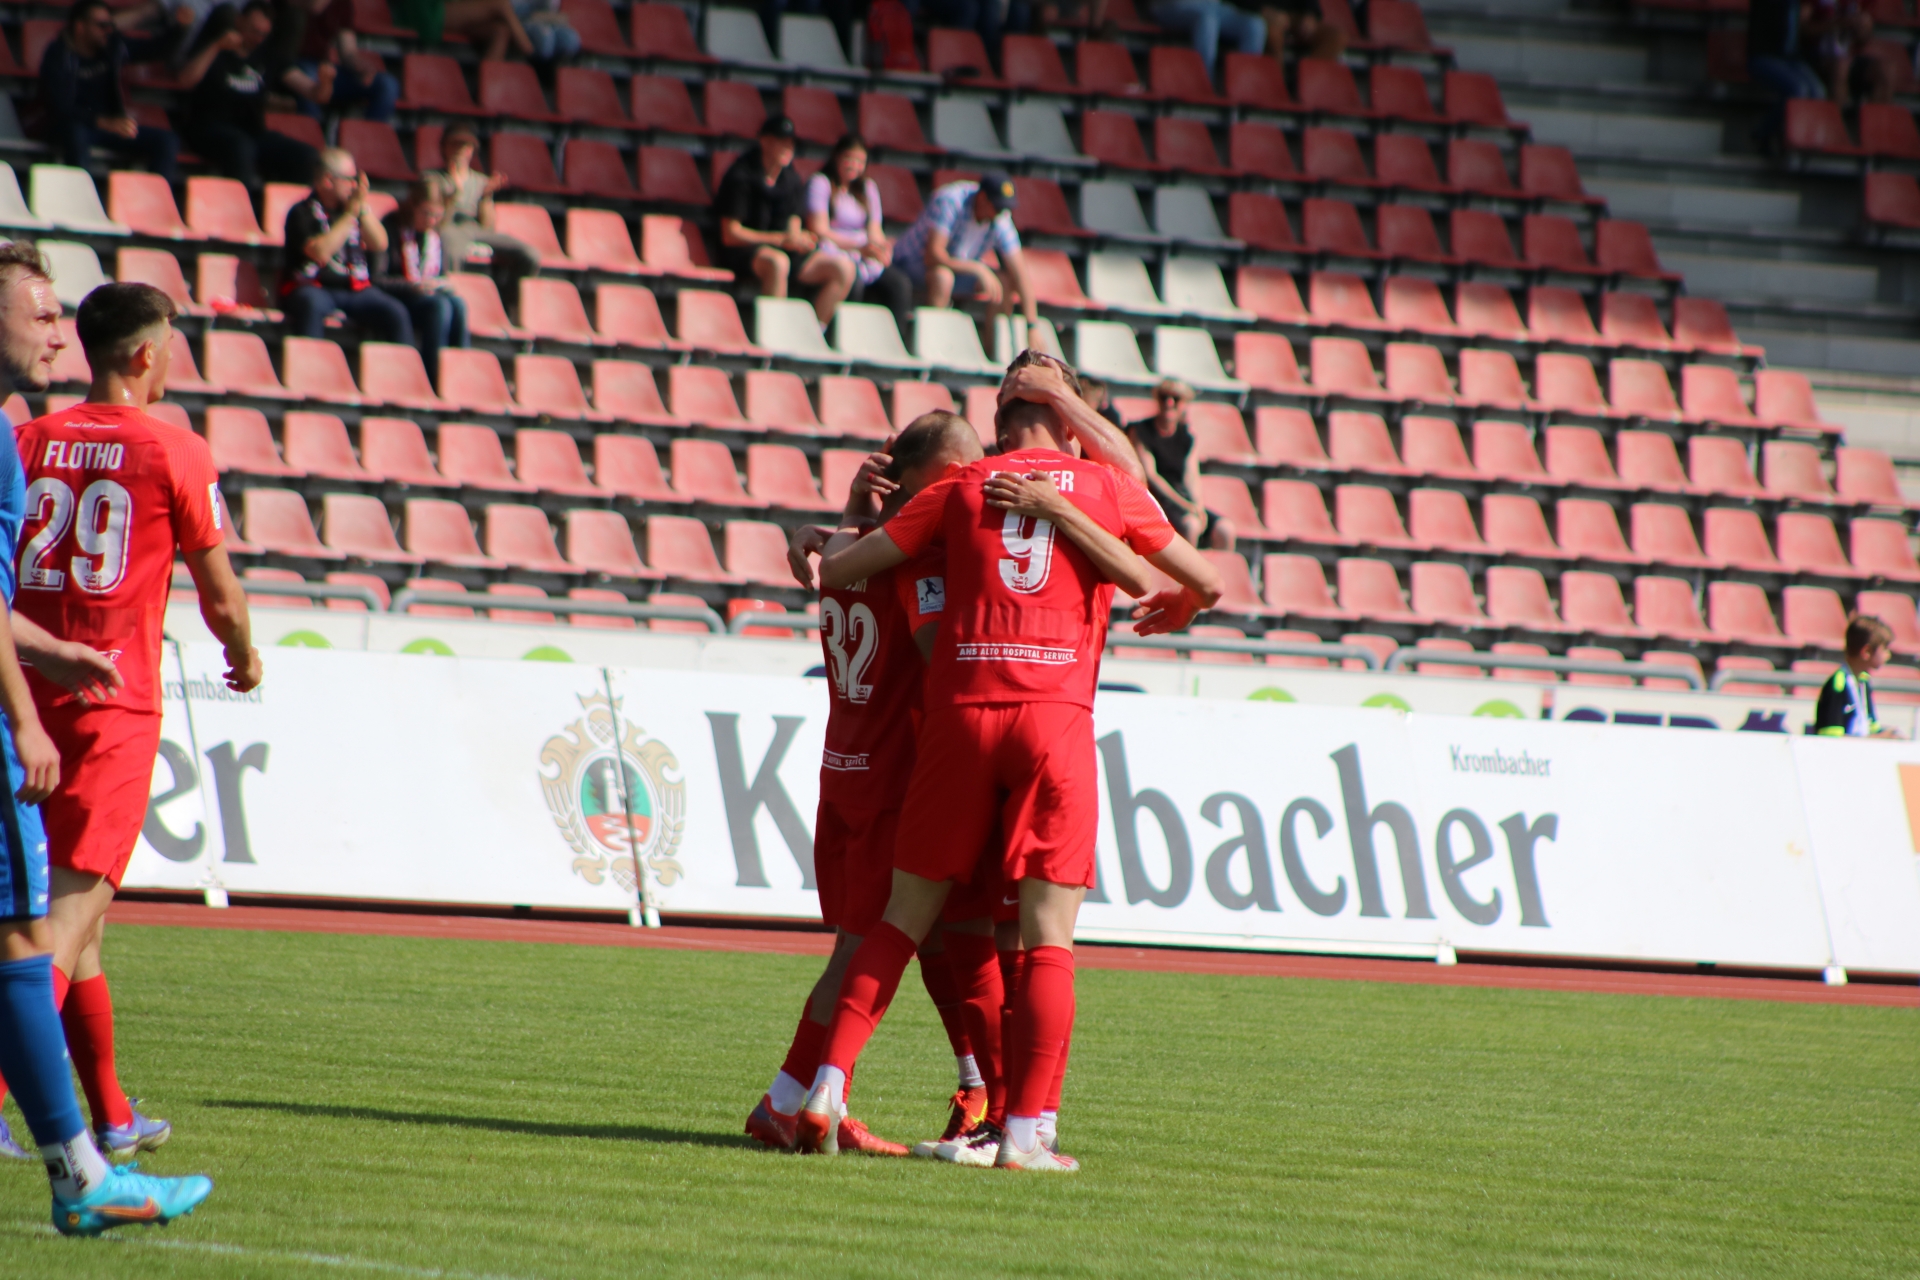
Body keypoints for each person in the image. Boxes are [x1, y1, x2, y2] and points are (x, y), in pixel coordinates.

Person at [794, 353, 1223, 1170]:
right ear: (1071, 418)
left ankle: (825, 1086)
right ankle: (1023, 1129)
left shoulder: (963, 483)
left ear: (995, 422)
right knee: (1042, 939)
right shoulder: (1105, 485)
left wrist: (833, 531)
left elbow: (839, 571)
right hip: (1053, 723)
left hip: (956, 722)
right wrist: (1181, 599)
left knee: (905, 922)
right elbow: (1193, 578)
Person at [0, 270, 244, 1235]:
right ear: (146, 353)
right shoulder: (174, 446)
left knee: (77, 923)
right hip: (111, 703)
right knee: (58, 927)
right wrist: (244, 655)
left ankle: (111, 1116)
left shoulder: (27, 437)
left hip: (26, 692)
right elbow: (220, 594)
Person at [745, 413, 991, 1158]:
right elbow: (935, 649)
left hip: (845, 769)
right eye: (958, 472)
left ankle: (972, 1086)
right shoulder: (914, 560)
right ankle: (796, 1097)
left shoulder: (845, 550)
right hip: (893, 778)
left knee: (916, 938)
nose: (970, 484)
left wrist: (843, 517)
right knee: (869, 949)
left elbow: (848, 553)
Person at [176, 1, 321, 194]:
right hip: (207, 128)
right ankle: (242, 206)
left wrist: (325, 81)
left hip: (252, 131)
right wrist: (216, 46)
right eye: (254, 31)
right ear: (239, 21)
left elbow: (314, 93)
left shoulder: (267, 55)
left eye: (263, 34)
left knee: (305, 155)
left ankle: (295, 207)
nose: (258, 38)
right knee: (241, 146)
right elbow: (185, 80)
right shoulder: (216, 48)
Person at [38, 0, 180, 182]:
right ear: (80, 27)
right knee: (75, 133)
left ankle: (154, 195)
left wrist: (180, 28)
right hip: (71, 125)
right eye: (101, 26)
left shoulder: (113, 47)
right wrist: (101, 121)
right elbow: (59, 106)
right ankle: (80, 192)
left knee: (166, 140)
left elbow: (154, 50)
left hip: (109, 126)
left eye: (110, 25)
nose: (108, 30)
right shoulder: (58, 55)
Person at [282, 148, 412, 345]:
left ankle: (402, 364)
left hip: (354, 288)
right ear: (328, 180)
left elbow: (379, 243)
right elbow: (320, 253)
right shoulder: (302, 212)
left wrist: (361, 208)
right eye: (350, 179)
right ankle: (309, 362)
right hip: (315, 286)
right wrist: (349, 216)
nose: (354, 186)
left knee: (395, 312)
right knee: (311, 304)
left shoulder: (354, 208)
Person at [890, 175, 1039, 339]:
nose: (1000, 213)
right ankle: (932, 342)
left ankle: (993, 349)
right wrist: (977, 268)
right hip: (909, 264)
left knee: (1003, 283)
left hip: (956, 270)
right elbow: (933, 255)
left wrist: (1032, 327)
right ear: (982, 198)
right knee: (943, 277)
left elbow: (1020, 274)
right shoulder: (951, 201)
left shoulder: (1001, 219)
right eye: (997, 207)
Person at [799, 135, 913, 334]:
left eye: (860, 161)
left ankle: (896, 338)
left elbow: (875, 229)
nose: (854, 166)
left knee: (899, 284)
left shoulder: (868, 188)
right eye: (849, 159)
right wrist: (858, 247)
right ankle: (843, 336)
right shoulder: (821, 183)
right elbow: (819, 229)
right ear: (837, 157)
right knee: (854, 282)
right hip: (832, 250)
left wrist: (880, 248)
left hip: (863, 254)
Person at [429, 124, 538, 302]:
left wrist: (486, 197)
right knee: (451, 248)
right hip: (450, 227)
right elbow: (438, 222)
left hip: (474, 228)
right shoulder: (433, 179)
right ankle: (451, 300)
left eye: (466, 146)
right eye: (455, 144)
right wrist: (454, 194)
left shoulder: (480, 180)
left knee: (530, 255)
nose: (460, 150)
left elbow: (487, 226)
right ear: (444, 147)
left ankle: (507, 301)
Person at [716, 116, 816, 306]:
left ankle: (818, 322)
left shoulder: (791, 177)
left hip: (782, 249)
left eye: (791, 143)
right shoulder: (740, 175)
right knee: (778, 263)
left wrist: (797, 238)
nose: (788, 148)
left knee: (841, 268)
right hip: (743, 251)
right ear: (764, 141)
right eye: (781, 142)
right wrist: (777, 239)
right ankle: (774, 324)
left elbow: (794, 218)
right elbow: (730, 234)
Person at [378, 179, 470, 383]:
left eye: (437, 215)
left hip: (427, 294)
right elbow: (378, 279)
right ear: (413, 207)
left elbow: (440, 273)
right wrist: (412, 285)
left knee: (458, 304)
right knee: (439, 307)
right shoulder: (391, 227)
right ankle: (432, 376)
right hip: (400, 296)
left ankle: (459, 375)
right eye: (426, 213)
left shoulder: (435, 235)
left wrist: (441, 284)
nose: (431, 220)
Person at [1128, 377, 1234, 551]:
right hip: (1157, 500)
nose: (1169, 403)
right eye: (1164, 397)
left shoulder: (1187, 437)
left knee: (1225, 529)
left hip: (1181, 500)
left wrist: (1198, 506)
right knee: (1191, 526)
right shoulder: (1141, 431)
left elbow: (1191, 476)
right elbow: (1152, 476)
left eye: (1176, 399)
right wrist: (1186, 506)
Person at [288, 0, 400, 124]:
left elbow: (348, 51)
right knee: (308, 75)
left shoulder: (342, 4)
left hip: (323, 66)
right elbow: (315, 7)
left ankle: (367, 133)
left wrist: (359, 65)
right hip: (290, 64)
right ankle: (312, 130)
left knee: (387, 84)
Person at [1748, 0, 1827, 153]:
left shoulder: (1797, 6)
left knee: (1818, 92)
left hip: (1792, 59)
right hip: (1764, 56)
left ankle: (1803, 141)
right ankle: (1765, 133)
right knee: (1798, 89)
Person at [1812, 615, 1903, 738]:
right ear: (1866, 652)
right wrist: (1878, 738)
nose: (1888, 655)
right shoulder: (1838, 685)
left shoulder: (1864, 682)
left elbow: (1871, 729)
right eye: (1885, 649)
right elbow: (1831, 739)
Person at [1149, 0, 1265, 76]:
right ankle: (1204, 83)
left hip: (1213, 6)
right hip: (1174, 4)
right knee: (1208, 20)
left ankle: (1245, 86)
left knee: (1255, 25)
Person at [391, 0, 534, 61]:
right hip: (423, 15)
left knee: (500, 31)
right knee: (499, 4)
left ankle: (490, 91)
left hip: (443, 11)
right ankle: (529, 50)